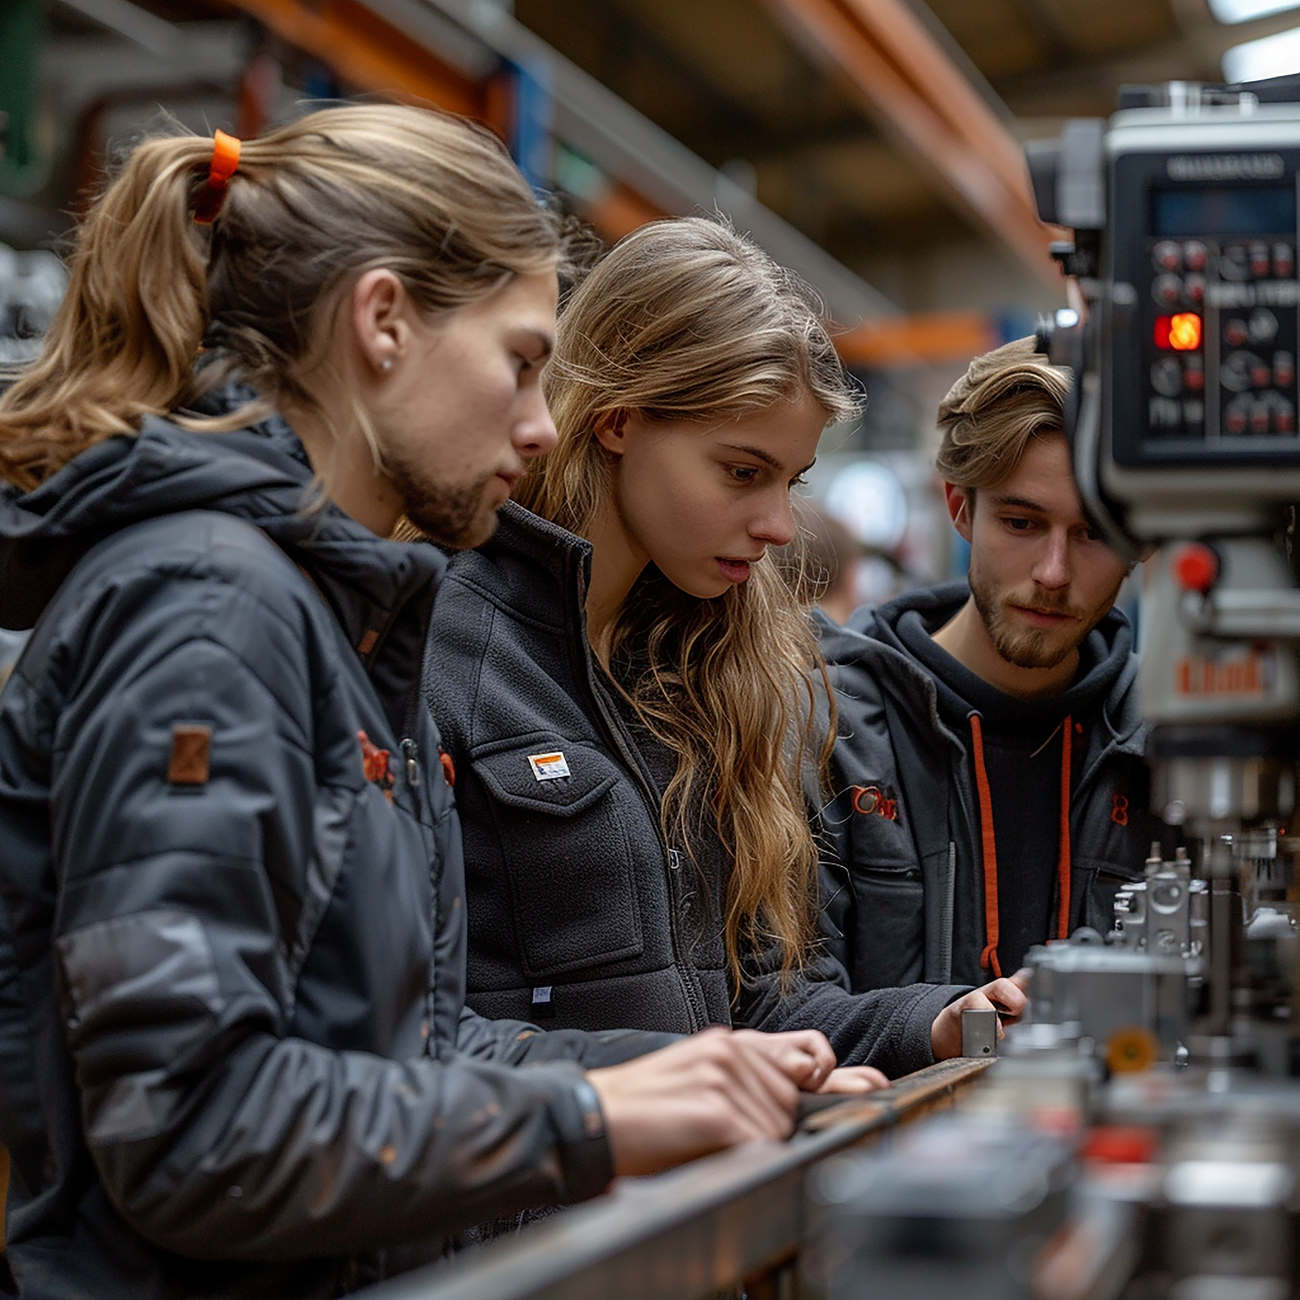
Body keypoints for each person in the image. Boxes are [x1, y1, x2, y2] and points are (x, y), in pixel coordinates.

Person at [0, 108, 869, 1300]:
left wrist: (688, 1080)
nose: (543, 423)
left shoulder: (340, 618)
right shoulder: (209, 612)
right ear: (383, 321)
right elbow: (188, 1129)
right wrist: (583, 1114)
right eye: (520, 362)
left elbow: (412, 1050)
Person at [424, 217, 1026, 1079]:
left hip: (694, 1195)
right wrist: (657, 1095)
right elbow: (404, 1045)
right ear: (619, 418)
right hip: (545, 1205)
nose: (779, 525)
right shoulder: (440, 651)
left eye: (792, 480)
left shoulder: (712, 672)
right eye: (743, 472)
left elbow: (757, 1010)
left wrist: (934, 1021)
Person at [820, 336, 1171, 993]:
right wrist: (935, 1028)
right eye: (1020, 523)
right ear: (959, 508)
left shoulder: (1167, 743)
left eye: (1093, 533)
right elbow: (784, 1010)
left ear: (1141, 545)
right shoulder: (832, 728)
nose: (1053, 573)